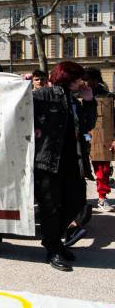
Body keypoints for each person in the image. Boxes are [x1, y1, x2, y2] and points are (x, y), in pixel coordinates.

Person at [33, 61, 97, 272]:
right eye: (79, 78)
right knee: (50, 207)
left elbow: (88, 125)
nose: (82, 82)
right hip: (48, 161)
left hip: (73, 161)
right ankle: (53, 248)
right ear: (69, 78)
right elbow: (20, 111)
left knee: (77, 201)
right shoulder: (43, 95)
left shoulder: (75, 101)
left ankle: (53, 241)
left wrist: (89, 101)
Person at [82, 67, 115, 212]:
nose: (84, 83)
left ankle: (102, 198)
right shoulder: (76, 95)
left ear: (95, 80)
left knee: (102, 169)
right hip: (84, 136)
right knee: (79, 170)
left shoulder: (108, 97)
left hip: (101, 136)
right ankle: (79, 201)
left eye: (87, 79)